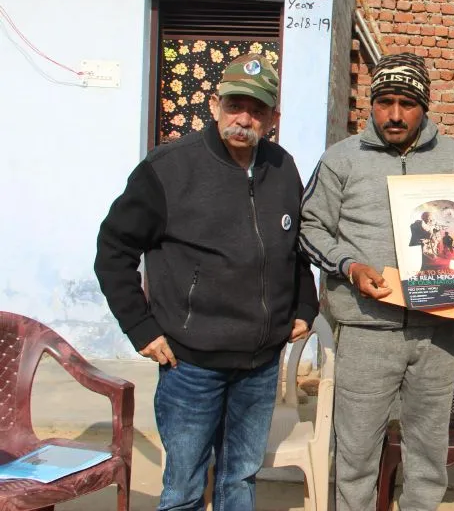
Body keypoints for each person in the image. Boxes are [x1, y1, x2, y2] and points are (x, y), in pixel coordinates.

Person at [94, 54, 318, 511]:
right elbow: (113, 250)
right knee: (183, 490)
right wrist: (141, 328)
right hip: (191, 365)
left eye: (257, 110)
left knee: (240, 480)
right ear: (215, 105)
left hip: (259, 364)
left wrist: (304, 304)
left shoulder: (282, 166)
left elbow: (293, 244)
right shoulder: (169, 168)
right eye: (235, 104)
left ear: (273, 118)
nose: (244, 118)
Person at [299, 52, 454, 510]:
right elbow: (310, 226)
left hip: (437, 332)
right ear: (371, 104)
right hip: (367, 330)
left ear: (425, 106)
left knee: (428, 455)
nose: (394, 114)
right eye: (384, 101)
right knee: (357, 453)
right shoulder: (341, 160)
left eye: (406, 103)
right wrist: (348, 265)